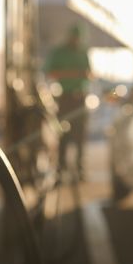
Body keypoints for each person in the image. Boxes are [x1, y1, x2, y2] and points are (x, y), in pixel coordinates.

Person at [44, 24, 92, 179]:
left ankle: (79, 167)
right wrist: (72, 74)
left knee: (80, 134)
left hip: (80, 98)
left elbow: (88, 73)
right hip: (65, 98)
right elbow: (50, 72)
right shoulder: (59, 52)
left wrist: (78, 75)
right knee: (63, 132)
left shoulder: (83, 52)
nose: (76, 41)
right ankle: (61, 167)